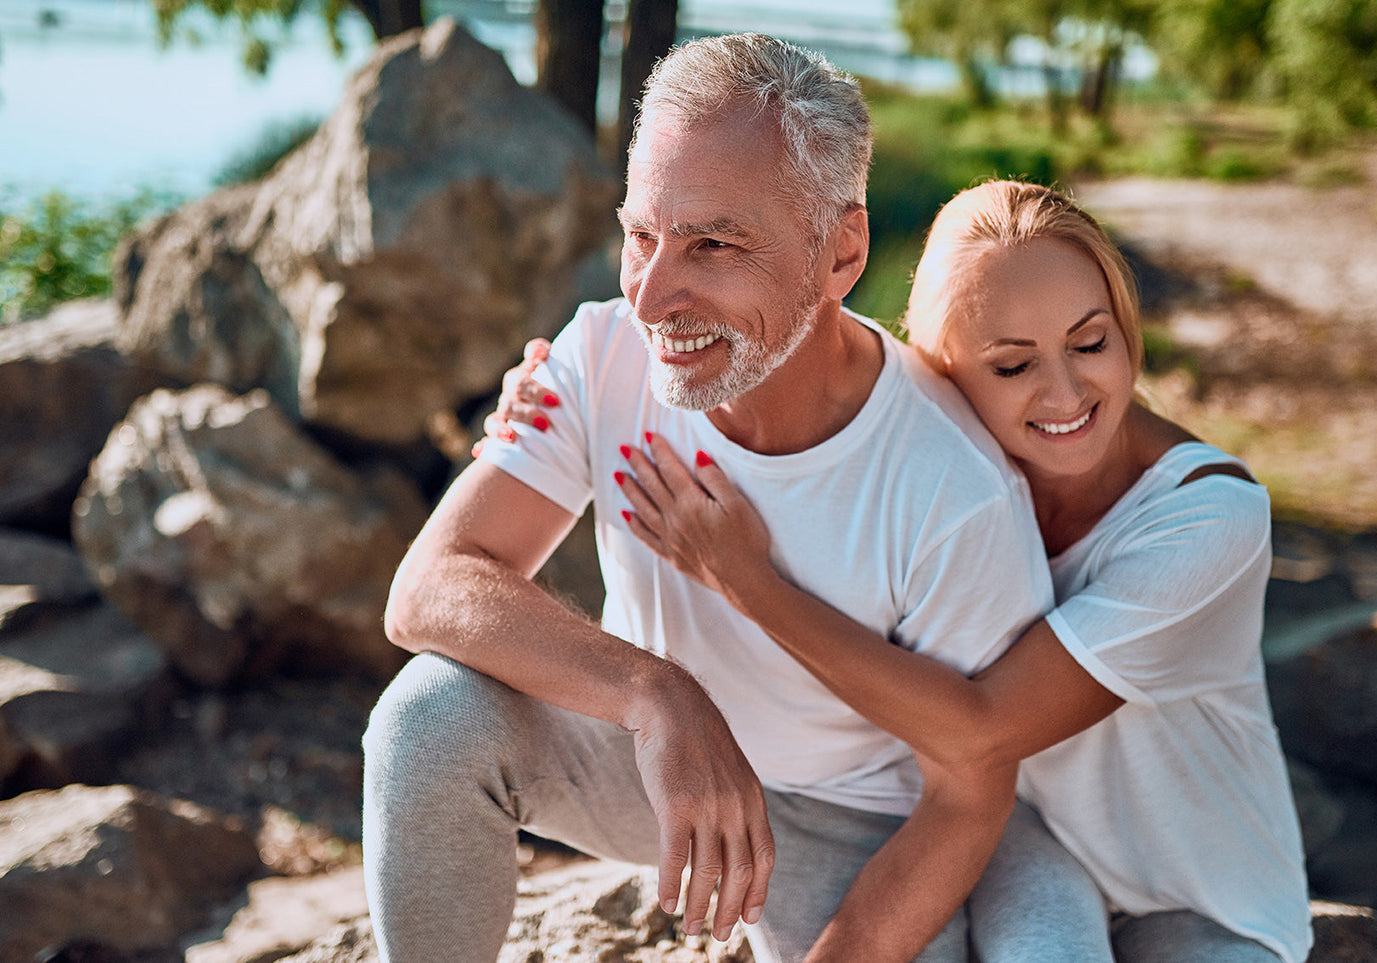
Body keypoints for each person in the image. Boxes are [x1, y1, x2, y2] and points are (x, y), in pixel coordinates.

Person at [485, 180, 1314, 962]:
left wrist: (749, 580)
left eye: (1089, 342)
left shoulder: (1210, 520)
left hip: (1198, 894)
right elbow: (825, 376)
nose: (1064, 392)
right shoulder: (956, 465)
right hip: (1021, 845)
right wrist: (556, 384)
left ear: (1126, 327)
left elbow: (983, 726)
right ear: (943, 376)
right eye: (1011, 364)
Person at [364, 35, 1056, 963]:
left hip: (853, 827)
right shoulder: (603, 353)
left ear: (840, 250)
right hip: (657, 771)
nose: (650, 296)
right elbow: (430, 589)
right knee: (429, 717)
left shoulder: (953, 487)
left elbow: (970, 791)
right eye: (640, 234)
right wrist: (657, 695)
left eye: (713, 244)